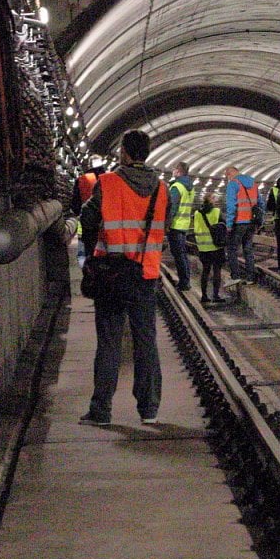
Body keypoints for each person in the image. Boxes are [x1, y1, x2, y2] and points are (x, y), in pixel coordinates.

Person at [78, 130, 167, 426]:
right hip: (145, 274)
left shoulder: (107, 183)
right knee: (146, 341)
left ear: (125, 153)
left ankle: (101, 410)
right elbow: (164, 225)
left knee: (109, 342)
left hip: (111, 274)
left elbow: (88, 218)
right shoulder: (161, 189)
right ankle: (149, 409)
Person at [223, 164, 260, 282]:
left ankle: (235, 277)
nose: (228, 179)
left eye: (227, 176)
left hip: (239, 222)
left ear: (230, 174)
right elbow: (261, 203)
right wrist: (260, 221)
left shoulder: (233, 184)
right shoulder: (253, 183)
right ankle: (250, 277)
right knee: (248, 249)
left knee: (232, 249)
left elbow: (231, 206)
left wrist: (229, 224)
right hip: (251, 222)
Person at [165, 160, 195, 292]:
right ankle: (186, 280)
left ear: (178, 171)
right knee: (182, 254)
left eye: (174, 169)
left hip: (175, 225)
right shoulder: (190, 188)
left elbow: (172, 208)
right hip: (184, 225)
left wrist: (167, 224)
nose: (173, 171)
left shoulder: (177, 187)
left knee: (178, 254)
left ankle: (184, 283)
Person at [192, 195, 227, 302]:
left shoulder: (197, 213)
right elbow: (223, 227)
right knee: (217, 271)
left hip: (203, 247)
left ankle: (204, 296)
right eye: (214, 199)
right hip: (216, 246)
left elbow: (196, 228)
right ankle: (215, 296)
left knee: (205, 271)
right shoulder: (217, 211)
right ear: (211, 201)